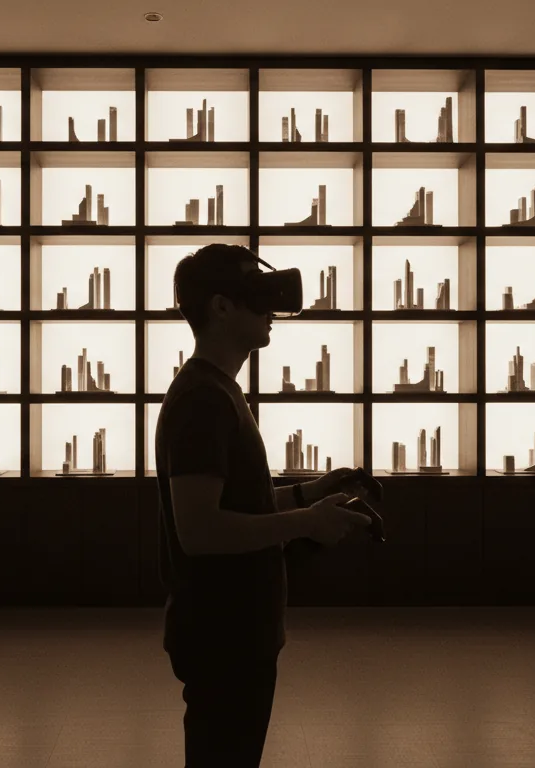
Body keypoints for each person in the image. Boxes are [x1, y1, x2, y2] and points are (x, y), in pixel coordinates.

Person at [155, 243, 377, 767]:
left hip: (237, 628)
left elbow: (239, 503)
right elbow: (200, 530)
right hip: (224, 632)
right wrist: (306, 522)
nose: (271, 308)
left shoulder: (220, 392)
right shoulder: (203, 401)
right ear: (221, 307)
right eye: (255, 295)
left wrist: (310, 493)